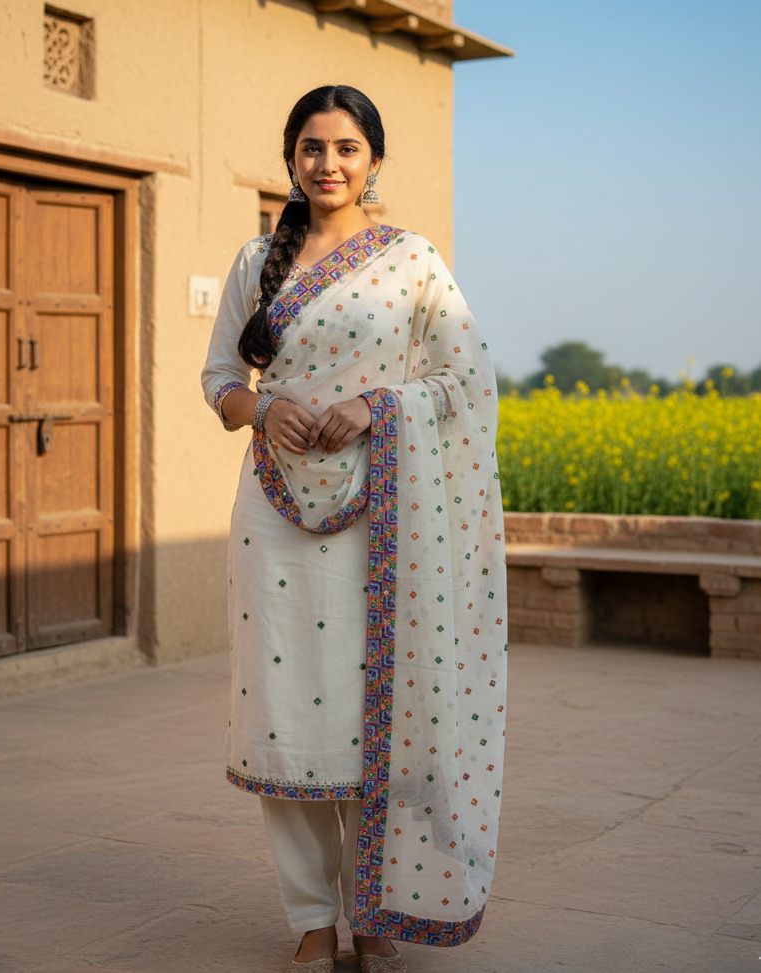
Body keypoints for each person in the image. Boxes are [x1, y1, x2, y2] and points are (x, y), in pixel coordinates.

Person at [201, 85, 507, 973]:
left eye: (345, 148)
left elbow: (466, 380)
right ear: (290, 158)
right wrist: (263, 410)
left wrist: (380, 405)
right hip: (273, 512)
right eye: (310, 148)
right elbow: (219, 377)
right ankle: (311, 919)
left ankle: (377, 908)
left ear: (374, 159)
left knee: (387, 712)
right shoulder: (258, 259)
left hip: (387, 513)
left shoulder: (412, 260)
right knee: (286, 718)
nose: (326, 164)